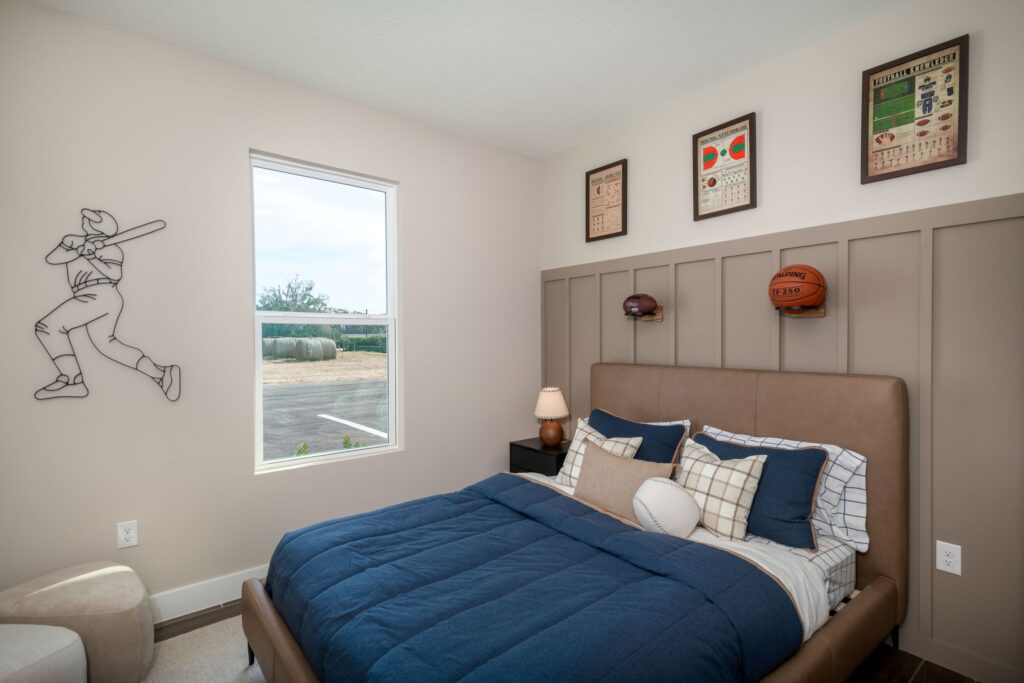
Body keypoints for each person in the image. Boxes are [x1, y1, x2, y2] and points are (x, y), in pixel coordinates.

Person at [34, 208, 180, 400]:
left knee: (48, 327)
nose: (84, 221)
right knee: (107, 345)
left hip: (100, 294)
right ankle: (161, 373)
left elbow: (114, 274)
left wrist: (92, 256)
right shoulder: (74, 240)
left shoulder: (112, 248)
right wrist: (78, 248)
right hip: (90, 296)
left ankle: (72, 380)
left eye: (89, 220)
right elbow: (52, 258)